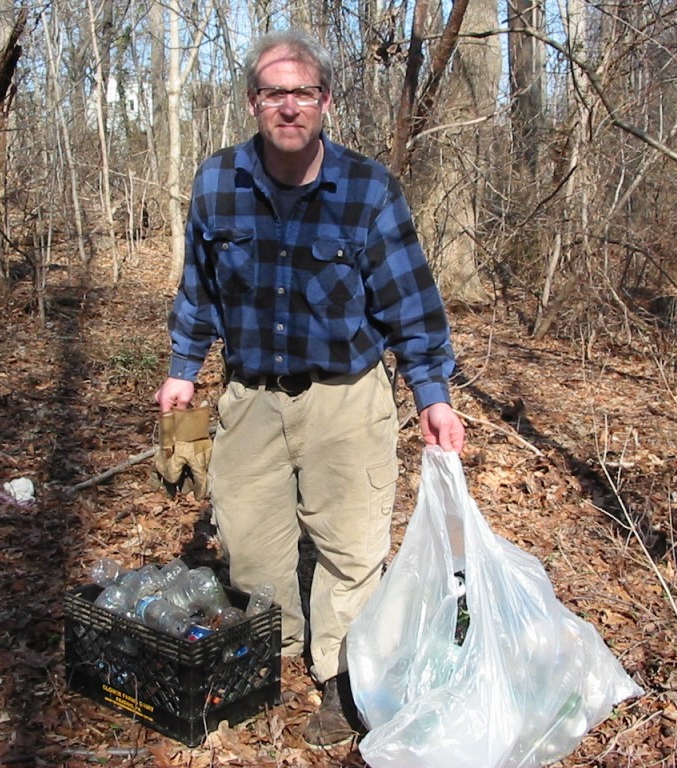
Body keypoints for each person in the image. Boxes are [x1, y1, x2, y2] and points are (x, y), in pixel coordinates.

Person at [155, 27, 465, 747]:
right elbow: (197, 291)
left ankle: (342, 675)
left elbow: (409, 304)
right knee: (254, 547)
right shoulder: (217, 182)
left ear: (325, 100)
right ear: (252, 102)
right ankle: (276, 651)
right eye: (273, 92)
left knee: (350, 548)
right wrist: (180, 369)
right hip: (251, 396)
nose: (288, 106)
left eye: (302, 92)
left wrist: (432, 393)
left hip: (346, 398)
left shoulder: (367, 189)